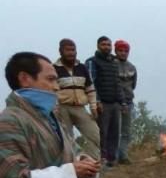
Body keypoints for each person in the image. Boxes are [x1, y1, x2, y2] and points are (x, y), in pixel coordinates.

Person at [53, 39, 101, 161]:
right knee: (66, 139)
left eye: (73, 50)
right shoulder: (54, 69)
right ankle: (72, 164)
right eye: (67, 50)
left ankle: (92, 162)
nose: (71, 53)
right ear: (60, 51)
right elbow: (51, 91)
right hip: (62, 107)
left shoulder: (82, 67)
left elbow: (90, 89)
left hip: (80, 107)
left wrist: (93, 108)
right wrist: (54, 110)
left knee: (95, 135)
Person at [85, 36, 122, 167]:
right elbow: (90, 83)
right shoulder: (92, 62)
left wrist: (121, 101)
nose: (106, 47)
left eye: (108, 44)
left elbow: (117, 83)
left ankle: (112, 159)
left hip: (114, 103)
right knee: (101, 132)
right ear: (98, 46)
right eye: (104, 44)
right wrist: (97, 101)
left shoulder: (113, 62)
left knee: (114, 132)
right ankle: (101, 158)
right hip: (102, 103)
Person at [114, 40, 138, 165]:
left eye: (125, 51)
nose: (123, 53)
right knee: (115, 131)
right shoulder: (112, 65)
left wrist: (127, 100)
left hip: (129, 102)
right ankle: (113, 157)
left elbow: (133, 85)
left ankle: (123, 155)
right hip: (115, 103)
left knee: (126, 131)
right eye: (120, 50)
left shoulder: (132, 67)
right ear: (116, 51)